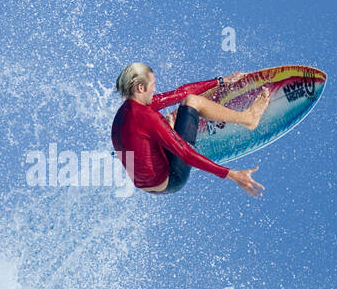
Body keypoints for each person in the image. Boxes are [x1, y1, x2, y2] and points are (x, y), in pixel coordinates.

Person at [111, 62, 269, 197]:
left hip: (147, 185)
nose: (154, 89)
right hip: (172, 179)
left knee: (162, 122)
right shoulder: (147, 117)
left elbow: (180, 93)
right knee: (193, 102)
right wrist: (232, 174)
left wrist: (221, 81)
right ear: (140, 88)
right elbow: (185, 154)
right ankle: (248, 119)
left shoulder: (124, 113)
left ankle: (170, 126)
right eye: (152, 85)